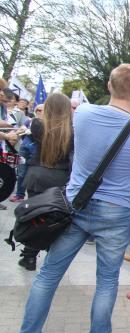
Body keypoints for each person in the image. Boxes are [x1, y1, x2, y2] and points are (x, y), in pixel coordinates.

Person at [12, 64, 130, 333]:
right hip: (116, 213)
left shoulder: (83, 114)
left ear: (108, 85)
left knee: (49, 274)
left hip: (75, 206)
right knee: (106, 281)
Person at [16, 93, 74, 271]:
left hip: (37, 175)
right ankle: (51, 257)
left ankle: (29, 257)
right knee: (54, 218)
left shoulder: (37, 125)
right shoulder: (71, 131)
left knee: (35, 216)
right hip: (60, 177)